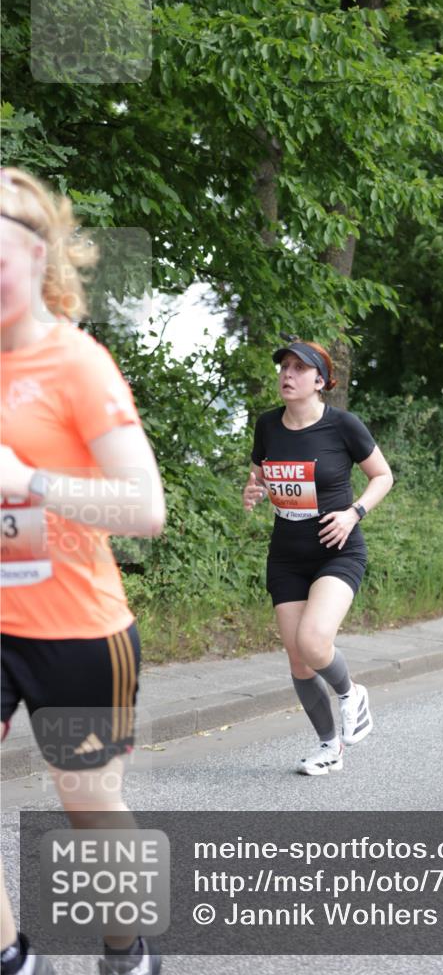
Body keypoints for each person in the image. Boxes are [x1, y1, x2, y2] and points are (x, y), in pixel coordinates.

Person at [0, 166, 165, 975]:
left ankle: (127, 951)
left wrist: (28, 482)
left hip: (77, 634)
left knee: (88, 808)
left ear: (39, 259)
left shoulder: (77, 363)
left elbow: (144, 509)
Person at [243, 337, 393, 775]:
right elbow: (259, 476)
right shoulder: (267, 425)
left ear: (320, 381)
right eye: (283, 367)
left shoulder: (343, 425)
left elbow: (383, 476)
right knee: (298, 658)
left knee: (313, 641)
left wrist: (353, 513)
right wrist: (253, 490)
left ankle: (351, 693)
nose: (287, 375)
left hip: (337, 551)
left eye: (298, 368)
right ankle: (329, 746)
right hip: (287, 557)